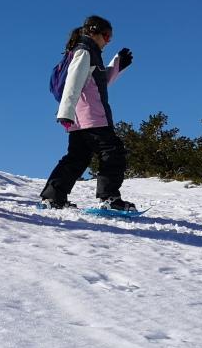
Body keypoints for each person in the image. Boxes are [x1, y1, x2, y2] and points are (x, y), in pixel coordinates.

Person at [39, 16, 136, 211]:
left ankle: (53, 197)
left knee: (77, 158)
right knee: (113, 153)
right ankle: (109, 199)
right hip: (92, 117)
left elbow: (96, 83)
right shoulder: (85, 51)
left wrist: (117, 64)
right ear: (94, 32)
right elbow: (73, 83)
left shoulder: (88, 52)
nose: (108, 41)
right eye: (107, 36)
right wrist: (64, 112)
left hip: (80, 119)